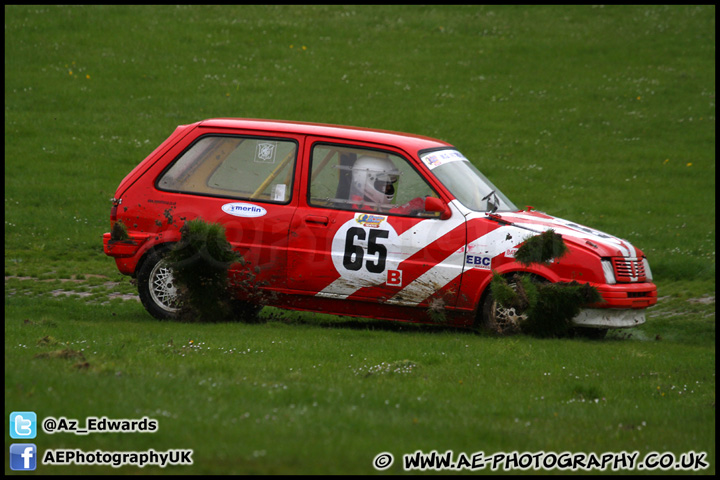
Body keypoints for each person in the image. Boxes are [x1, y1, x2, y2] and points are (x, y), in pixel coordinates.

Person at [348, 155, 426, 215]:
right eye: (383, 185)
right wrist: (419, 202)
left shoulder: (370, 202)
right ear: (363, 180)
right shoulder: (358, 206)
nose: (389, 189)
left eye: (390, 184)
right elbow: (391, 215)